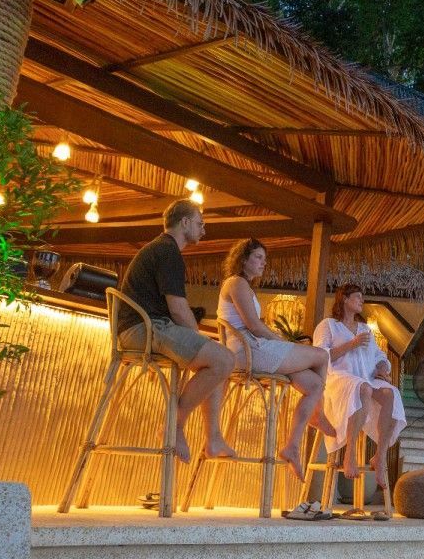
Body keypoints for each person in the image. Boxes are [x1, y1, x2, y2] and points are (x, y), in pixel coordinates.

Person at [116, 199, 236, 464]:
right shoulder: (167, 252)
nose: (204, 229)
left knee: (219, 360)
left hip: (147, 327)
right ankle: (174, 426)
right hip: (143, 328)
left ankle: (213, 437)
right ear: (184, 223)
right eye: (200, 223)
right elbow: (179, 309)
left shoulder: (161, 249)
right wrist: (198, 338)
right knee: (223, 359)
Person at [217, 239, 335, 481]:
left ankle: (291, 445)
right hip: (248, 352)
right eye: (258, 257)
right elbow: (254, 326)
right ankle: (317, 414)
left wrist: (281, 340)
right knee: (322, 355)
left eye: (264, 258)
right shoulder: (236, 283)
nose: (264, 263)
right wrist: (283, 342)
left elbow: (256, 327)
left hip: (256, 348)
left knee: (313, 385)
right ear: (243, 259)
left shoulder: (244, 286)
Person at [312, 284, 406, 509]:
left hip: (364, 378)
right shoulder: (329, 326)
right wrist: (351, 345)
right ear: (344, 299)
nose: (361, 301)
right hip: (338, 379)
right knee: (362, 388)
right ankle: (350, 453)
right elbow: (319, 356)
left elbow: (378, 356)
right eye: (357, 297)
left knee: (390, 393)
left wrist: (383, 367)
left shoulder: (365, 329)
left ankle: (380, 456)